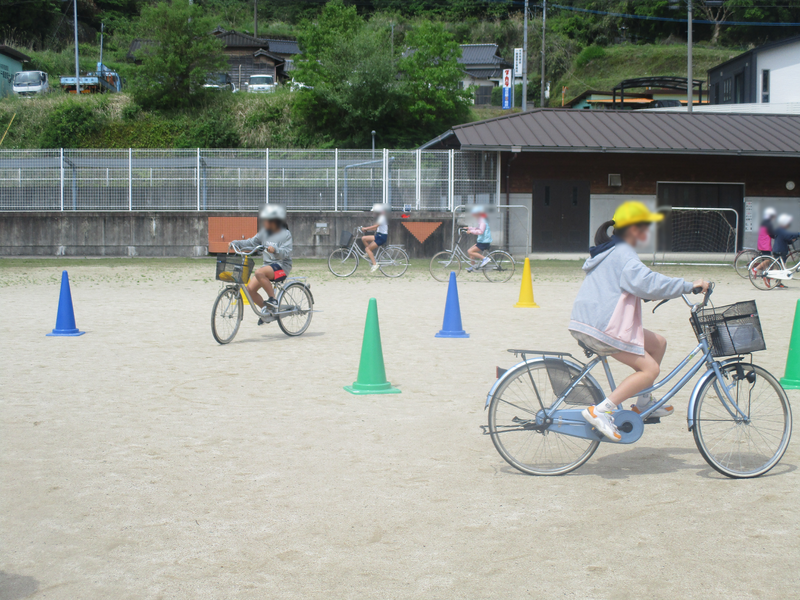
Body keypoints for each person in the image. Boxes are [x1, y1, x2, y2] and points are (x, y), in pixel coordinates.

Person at [568, 201, 709, 442]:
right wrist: (688, 286)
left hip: (593, 322)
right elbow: (648, 283)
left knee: (658, 343)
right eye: (645, 227)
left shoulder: (612, 250)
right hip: (602, 327)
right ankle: (601, 411)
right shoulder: (623, 253)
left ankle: (644, 403)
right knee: (650, 369)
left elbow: (636, 284)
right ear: (634, 228)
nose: (647, 233)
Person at [233, 204, 293, 314]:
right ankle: (267, 312)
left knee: (259, 272)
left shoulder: (285, 234)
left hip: (282, 268)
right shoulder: (264, 232)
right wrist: (235, 243)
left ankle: (273, 299)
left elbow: (286, 252)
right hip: (268, 267)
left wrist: (275, 250)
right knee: (249, 291)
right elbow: (251, 242)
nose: (263, 222)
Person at [771, 213, 800, 290]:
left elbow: (788, 239)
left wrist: (793, 239)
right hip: (780, 250)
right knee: (780, 268)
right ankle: (769, 277)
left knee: (780, 267)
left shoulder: (779, 229)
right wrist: (797, 234)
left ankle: (778, 283)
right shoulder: (782, 230)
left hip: (778, 249)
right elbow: (789, 235)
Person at [361, 203, 389, 273]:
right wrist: (366, 229)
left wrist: (366, 228)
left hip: (381, 237)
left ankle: (374, 264)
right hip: (379, 235)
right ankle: (369, 253)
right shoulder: (380, 217)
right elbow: (375, 228)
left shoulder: (382, 217)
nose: (374, 213)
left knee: (367, 249)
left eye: (374, 212)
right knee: (364, 238)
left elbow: (375, 226)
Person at [465, 205, 492, 272]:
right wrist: (469, 228)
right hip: (482, 241)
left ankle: (485, 259)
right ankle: (473, 266)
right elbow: (477, 228)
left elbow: (480, 231)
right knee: (470, 251)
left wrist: (471, 231)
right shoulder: (481, 220)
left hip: (484, 242)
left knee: (470, 251)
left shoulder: (482, 220)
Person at [752, 207, 777, 276]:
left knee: (765, 258)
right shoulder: (768, 224)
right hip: (765, 244)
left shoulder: (763, 222)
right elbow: (771, 233)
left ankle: (764, 273)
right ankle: (755, 269)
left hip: (761, 243)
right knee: (768, 259)